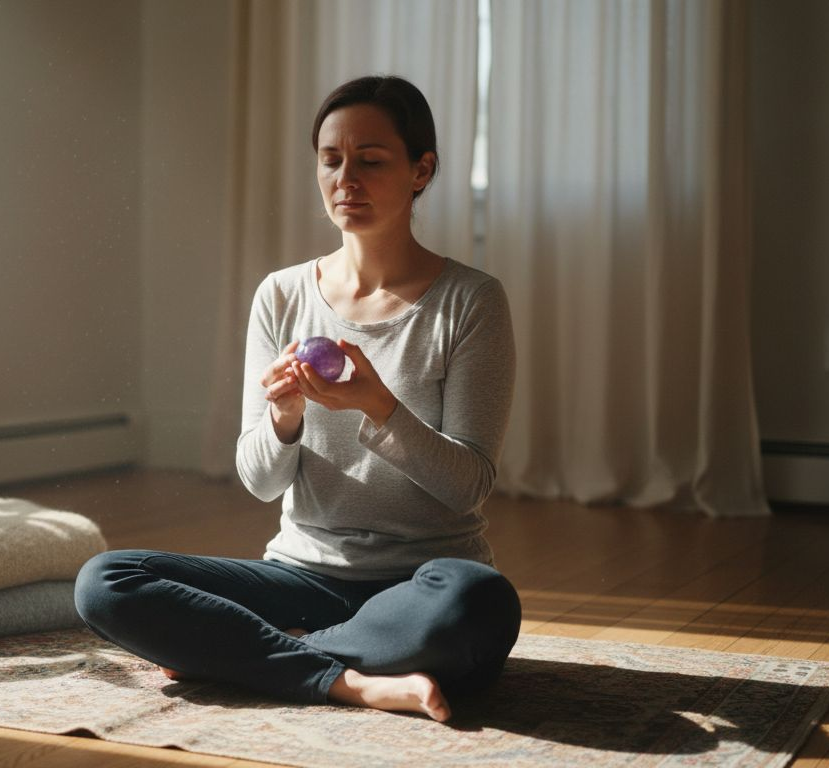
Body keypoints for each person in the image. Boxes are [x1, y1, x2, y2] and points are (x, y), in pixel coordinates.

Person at [75, 75, 520, 722]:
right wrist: (284, 419)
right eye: (331, 160)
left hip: (421, 581)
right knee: (105, 583)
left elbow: (468, 485)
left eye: (370, 161)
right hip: (300, 579)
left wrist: (379, 407)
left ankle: (259, 656)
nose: (347, 180)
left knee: (479, 603)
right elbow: (259, 483)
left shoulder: (471, 301)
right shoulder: (282, 296)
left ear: (421, 170)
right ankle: (354, 680)